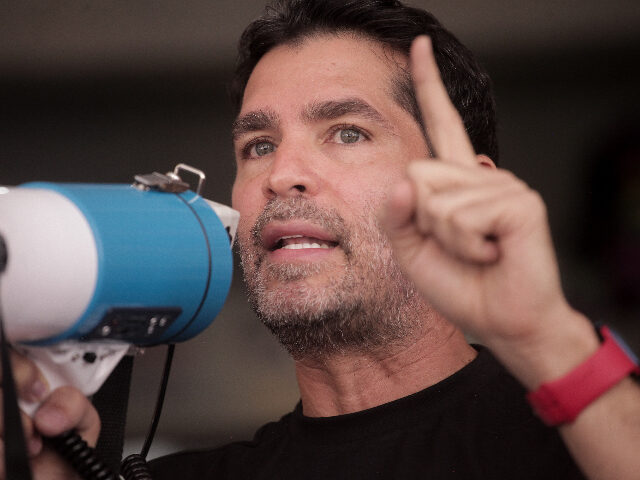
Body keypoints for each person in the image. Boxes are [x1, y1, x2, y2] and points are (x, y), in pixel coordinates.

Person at [3, 1, 640, 479]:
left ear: (464, 193)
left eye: (347, 132)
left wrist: (544, 336)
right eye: (258, 145)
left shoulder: (589, 437)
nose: (281, 174)